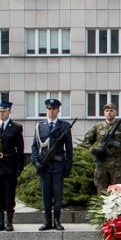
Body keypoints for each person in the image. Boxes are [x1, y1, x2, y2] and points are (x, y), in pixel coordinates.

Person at [32, 98, 73, 230]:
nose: (51, 111)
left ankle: (57, 220)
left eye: (54, 109)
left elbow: (69, 147)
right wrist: (36, 162)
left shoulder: (64, 126)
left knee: (57, 194)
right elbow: (35, 146)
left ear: (58, 110)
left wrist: (68, 165)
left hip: (58, 165)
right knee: (46, 195)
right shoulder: (40, 126)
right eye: (49, 109)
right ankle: (47, 221)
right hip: (44, 166)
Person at [0, 99, 25, 232]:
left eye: (3, 111)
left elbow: (20, 149)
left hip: (9, 165)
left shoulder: (15, 127)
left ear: (9, 112)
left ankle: (9, 222)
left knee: (9, 195)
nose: (0, 114)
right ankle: (0, 221)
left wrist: (19, 167)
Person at [82, 102, 121, 193]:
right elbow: (86, 141)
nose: (109, 112)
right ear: (104, 113)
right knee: (102, 191)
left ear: (116, 112)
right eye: (107, 111)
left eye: (111, 110)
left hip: (117, 164)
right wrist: (93, 150)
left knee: (118, 192)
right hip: (101, 165)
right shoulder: (98, 127)